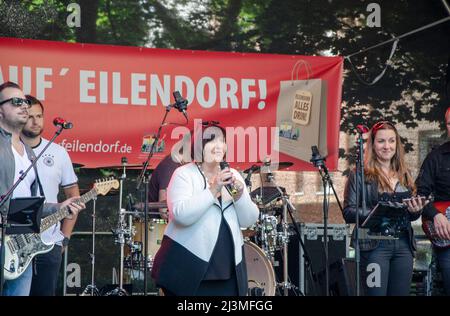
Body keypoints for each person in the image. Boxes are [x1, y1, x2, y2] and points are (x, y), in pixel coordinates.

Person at [151, 122, 259, 296]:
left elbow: (249, 219)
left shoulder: (234, 175)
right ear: (200, 147)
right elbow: (181, 215)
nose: (219, 146)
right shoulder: (184, 174)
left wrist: (240, 196)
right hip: (188, 268)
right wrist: (213, 189)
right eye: (212, 141)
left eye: (222, 141)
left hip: (227, 271)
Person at [0, 81, 84, 296]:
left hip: (22, 245)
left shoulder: (28, 153)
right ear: (0, 110)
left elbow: (28, 205)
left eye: (25, 102)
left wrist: (59, 207)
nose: (24, 106)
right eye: (16, 101)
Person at [343, 121, 427, 296]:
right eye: (381, 141)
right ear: (373, 144)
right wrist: (378, 211)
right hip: (374, 244)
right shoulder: (359, 174)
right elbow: (349, 212)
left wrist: (415, 210)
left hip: (403, 244)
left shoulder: (405, 174)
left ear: (397, 144)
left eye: (391, 141)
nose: (387, 146)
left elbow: (411, 215)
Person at [21, 95, 80, 296]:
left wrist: (65, 238)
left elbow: (73, 196)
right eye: (30, 117)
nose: (35, 121)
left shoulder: (58, 152)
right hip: (14, 243)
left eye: (39, 116)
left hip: (49, 242)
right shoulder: (9, 150)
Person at [416, 106, 450, 295]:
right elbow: (419, 195)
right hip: (447, 237)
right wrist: (436, 215)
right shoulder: (435, 158)